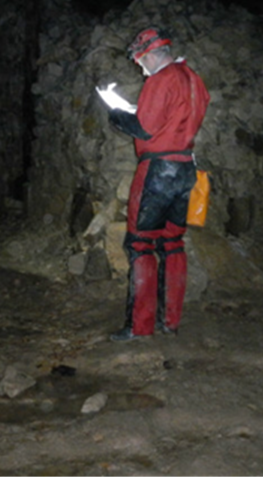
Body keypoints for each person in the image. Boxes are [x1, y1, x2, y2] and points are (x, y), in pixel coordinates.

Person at [105, 27, 210, 341]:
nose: (141, 69)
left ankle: (140, 326)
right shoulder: (193, 79)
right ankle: (170, 321)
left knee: (140, 244)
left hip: (158, 170)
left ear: (149, 54)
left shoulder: (161, 80)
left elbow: (145, 129)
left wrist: (117, 115)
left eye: (140, 62)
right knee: (173, 243)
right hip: (186, 168)